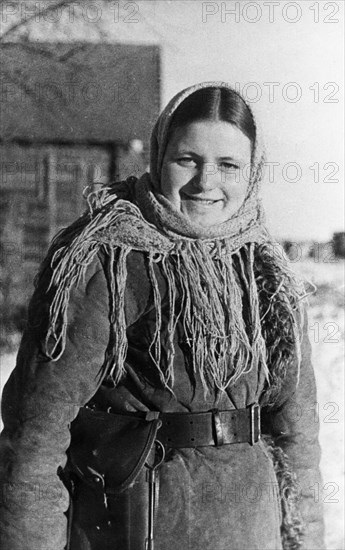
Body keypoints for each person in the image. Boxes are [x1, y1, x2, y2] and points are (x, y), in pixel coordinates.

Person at [0, 82, 324, 550]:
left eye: (228, 165)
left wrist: (304, 539)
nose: (206, 182)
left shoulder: (266, 275)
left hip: (251, 531)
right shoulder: (107, 261)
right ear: (158, 155)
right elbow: (35, 437)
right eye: (187, 159)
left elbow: (298, 438)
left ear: (252, 172)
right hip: (136, 527)